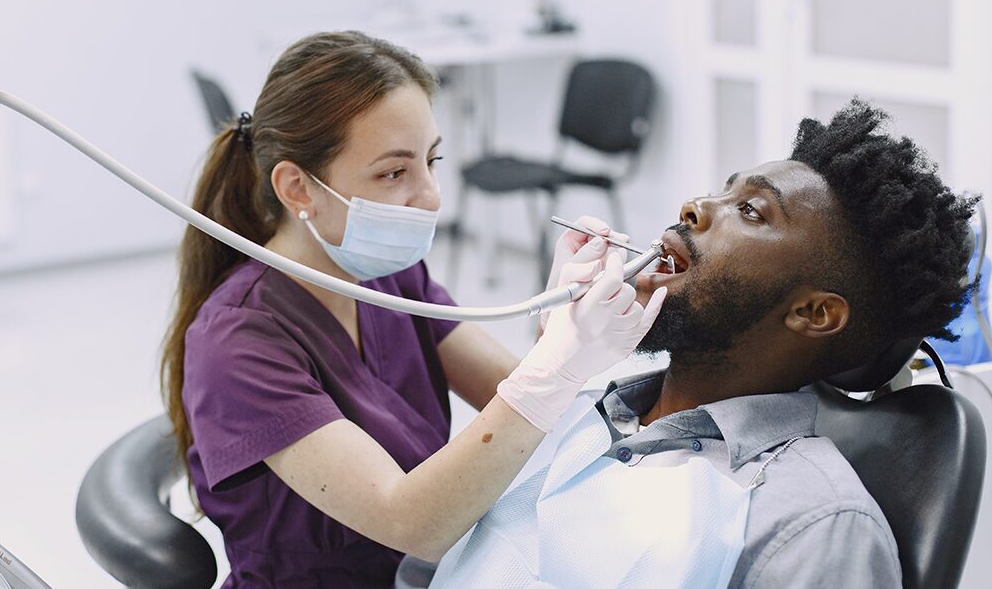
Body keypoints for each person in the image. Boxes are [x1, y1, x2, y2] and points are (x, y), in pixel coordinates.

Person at [158, 31, 664, 587]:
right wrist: (556, 365)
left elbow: (516, 399)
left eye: (432, 160)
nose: (432, 196)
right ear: (298, 188)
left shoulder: (391, 278)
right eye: (394, 172)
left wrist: (560, 329)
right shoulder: (238, 342)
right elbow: (410, 521)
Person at [428, 99, 978, 588]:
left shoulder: (811, 525)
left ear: (813, 313)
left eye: (751, 211)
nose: (694, 206)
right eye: (724, 189)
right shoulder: (579, 404)